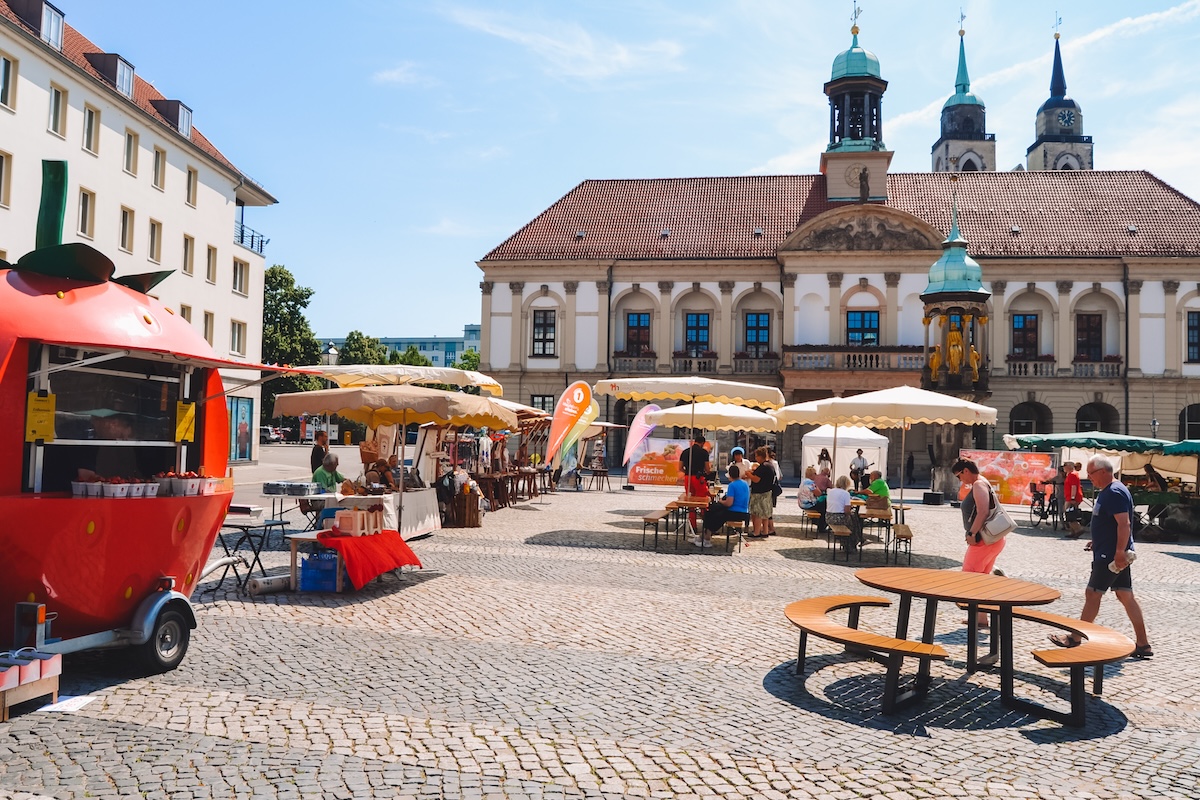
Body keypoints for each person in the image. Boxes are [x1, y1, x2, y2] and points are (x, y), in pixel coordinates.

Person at [1048, 456, 1152, 658]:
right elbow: (1110, 523)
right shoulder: (1111, 491)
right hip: (1110, 551)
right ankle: (1143, 644)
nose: (1090, 478)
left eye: (1092, 473)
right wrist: (1098, 541)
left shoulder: (1114, 492)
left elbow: (1124, 524)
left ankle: (1075, 638)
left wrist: (1119, 552)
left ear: (1103, 471)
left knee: (1093, 593)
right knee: (1125, 595)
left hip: (1111, 556)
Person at [954, 458, 1007, 628]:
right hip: (992, 539)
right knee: (981, 578)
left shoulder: (978, 484)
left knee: (969, 577)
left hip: (984, 540)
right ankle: (981, 619)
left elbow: (983, 511)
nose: (960, 480)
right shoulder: (983, 482)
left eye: (959, 476)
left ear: (966, 471)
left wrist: (972, 532)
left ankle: (978, 617)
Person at [701, 464, 750, 548]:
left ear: (730, 475)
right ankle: (705, 536)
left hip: (734, 512)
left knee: (711, 513)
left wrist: (721, 501)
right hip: (744, 512)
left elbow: (729, 503)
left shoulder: (732, 485)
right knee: (716, 513)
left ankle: (706, 537)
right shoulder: (745, 484)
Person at [680, 433, 712, 532]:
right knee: (703, 500)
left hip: (688, 478)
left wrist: (688, 473)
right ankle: (706, 525)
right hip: (699, 479)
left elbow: (680, 468)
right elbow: (707, 469)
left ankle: (693, 526)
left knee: (691, 502)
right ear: (702, 443)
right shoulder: (704, 452)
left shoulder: (685, 452)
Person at [747, 446, 776, 538]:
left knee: (757, 513)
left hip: (759, 493)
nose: (756, 458)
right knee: (765, 513)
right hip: (767, 492)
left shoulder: (763, 466)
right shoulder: (769, 465)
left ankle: (756, 532)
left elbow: (756, 479)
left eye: (756, 456)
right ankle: (765, 531)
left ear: (760, 456)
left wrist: (749, 475)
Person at [825, 475, 856, 551]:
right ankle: (852, 543)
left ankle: (849, 542)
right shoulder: (845, 494)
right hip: (838, 518)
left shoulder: (830, 491)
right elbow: (847, 511)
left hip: (828, 516)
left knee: (852, 519)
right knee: (854, 521)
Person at [797, 466, 829, 534]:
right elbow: (819, 493)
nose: (816, 475)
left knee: (822, 504)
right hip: (808, 504)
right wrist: (816, 485)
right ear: (812, 474)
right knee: (824, 505)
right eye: (815, 473)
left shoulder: (804, 481)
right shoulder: (810, 483)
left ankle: (818, 522)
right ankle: (821, 526)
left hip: (801, 503)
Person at [1063, 461, 1086, 538]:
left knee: (1070, 515)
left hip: (1072, 498)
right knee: (1069, 513)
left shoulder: (1072, 475)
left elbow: (1074, 487)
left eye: (1065, 465)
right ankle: (1073, 531)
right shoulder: (1070, 474)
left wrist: (1072, 498)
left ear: (1069, 466)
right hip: (1069, 497)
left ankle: (1078, 529)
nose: (1063, 467)